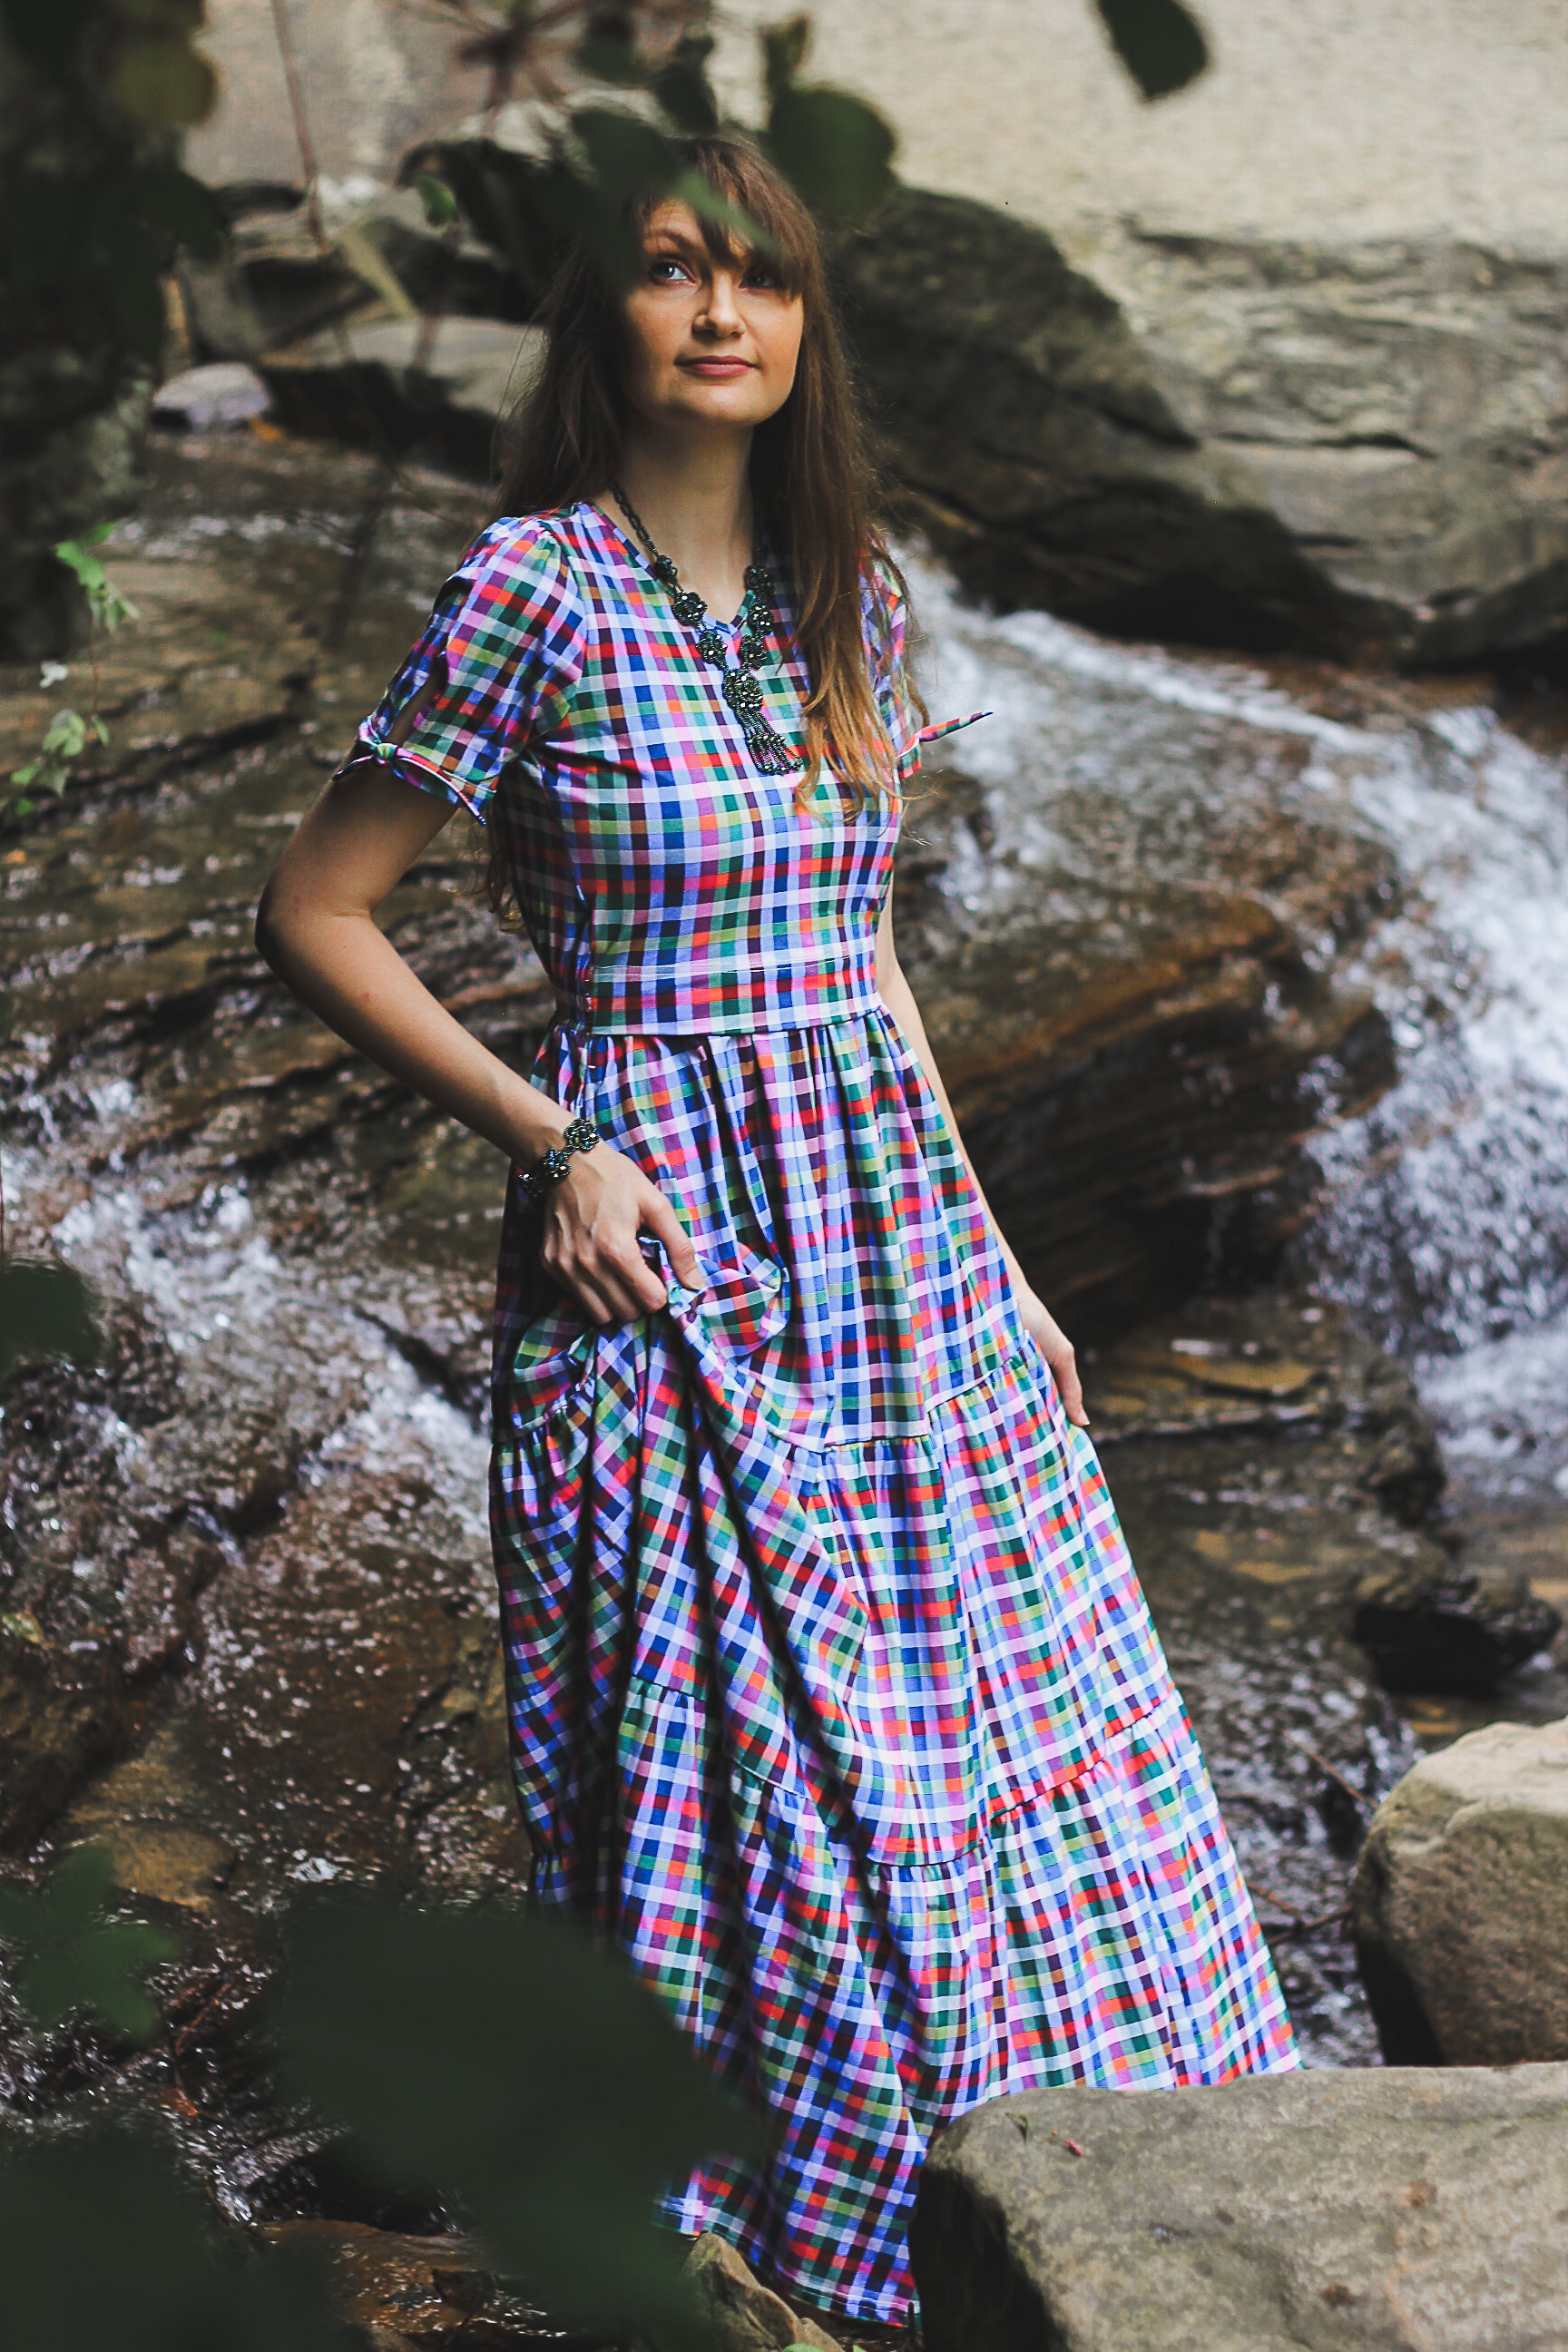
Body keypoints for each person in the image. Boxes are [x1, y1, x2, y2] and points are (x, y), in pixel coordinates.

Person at [255, 130, 1298, 2332]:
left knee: (1023, 1726)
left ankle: (1096, 2207)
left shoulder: (860, 598)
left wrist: (996, 1256)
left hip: (895, 1240)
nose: (718, 308)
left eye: (760, 278)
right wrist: (557, 1144)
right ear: (606, 322)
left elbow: (870, 959)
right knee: (746, 1759)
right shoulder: (533, 584)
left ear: (804, 329)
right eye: (666, 270)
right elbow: (315, 911)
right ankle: (788, 2252)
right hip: (662, 1241)